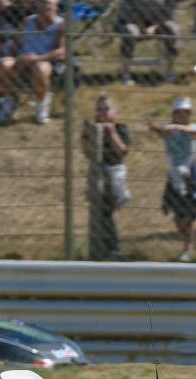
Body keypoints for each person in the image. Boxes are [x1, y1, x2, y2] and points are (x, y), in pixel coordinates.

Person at [0, 0, 64, 124]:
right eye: (42, 3)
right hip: (24, 60)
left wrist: (37, 59)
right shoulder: (27, 21)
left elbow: (61, 51)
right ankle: (7, 105)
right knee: (3, 65)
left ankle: (41, 108)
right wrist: (14, 59)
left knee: (40, 68)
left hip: (45, 61)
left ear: (56, 5)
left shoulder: (60, 24)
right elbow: (16, 44)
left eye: (48, 3)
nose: (45, 6)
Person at [82, 93, 131, 260]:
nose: (103, 112)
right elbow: (87, 153)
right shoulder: (95, 129)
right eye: (99, 109)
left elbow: (123, 151)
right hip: (97, 172)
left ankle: (112, 247)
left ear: (114, 110)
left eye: (106, 109)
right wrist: (84, 136)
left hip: (114, 171)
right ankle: (106, 248)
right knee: (101, 211)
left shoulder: (120, 128)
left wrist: (112, 133)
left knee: (106, 210)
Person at [153, 96, 196, 262]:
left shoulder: (191, 126)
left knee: (189, 214)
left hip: (189, 172)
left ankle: (189, 246)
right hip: (174, 171)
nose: (182, 115)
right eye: (178, 112)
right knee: (177, 215)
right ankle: (188, 242)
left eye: (185, 112)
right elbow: (155, 128)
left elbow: (195, 131)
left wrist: (176, 127)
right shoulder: (168, 128)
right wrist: (164, 128)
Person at [117, 0, 179, 85]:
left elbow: (167, 14)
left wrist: (155, 26)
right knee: (130, 31)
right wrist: (142, 28)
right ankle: (125, 75)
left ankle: (169, 73)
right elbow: (127, 15)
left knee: (173, 29)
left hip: (157, 25)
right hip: (134, 24)